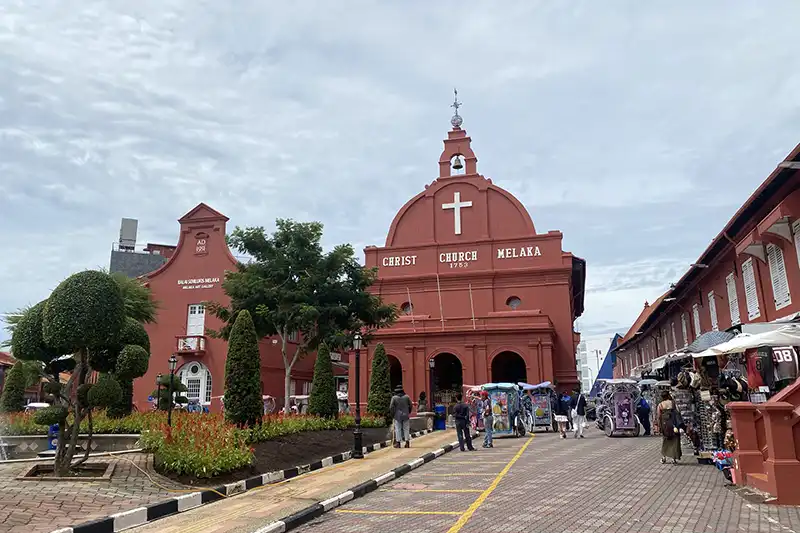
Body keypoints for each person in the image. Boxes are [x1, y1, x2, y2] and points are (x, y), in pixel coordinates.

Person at [656, 390, 682, 464]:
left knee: (666, 441)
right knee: (675, 441)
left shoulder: (660, 405)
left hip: (665, 426)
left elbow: (658, 416)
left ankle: (664, 457)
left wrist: (659, 427)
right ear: (668, 395)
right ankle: (674, 458)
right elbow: (678, 412)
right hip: (674, 425)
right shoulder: (673, 403)